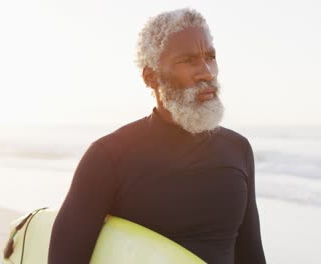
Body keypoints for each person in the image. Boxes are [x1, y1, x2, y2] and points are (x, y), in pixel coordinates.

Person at [48, 8, 266, 264]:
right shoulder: (108, 157)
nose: (207, 72)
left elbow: (251, 254)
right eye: (188, 60)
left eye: (210, 57)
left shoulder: (237, 150)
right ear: (151, 77)